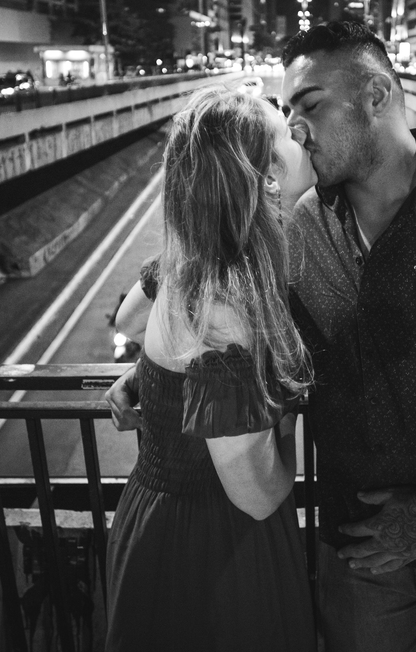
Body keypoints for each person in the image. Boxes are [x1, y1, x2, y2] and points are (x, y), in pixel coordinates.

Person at [110, 21, 416, 652]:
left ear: (378, 95)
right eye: (287, 114)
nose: (298, 128)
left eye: (309, 105)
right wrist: (159, 379)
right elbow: (221, 324)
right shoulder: (297, 229)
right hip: (360, 547)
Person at [103, 85, 317, 651]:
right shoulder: (226, 311)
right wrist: (290, 429)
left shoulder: (189, 268)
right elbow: (256, 494)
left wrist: (155, 376)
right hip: (211, 547)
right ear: (265, 176)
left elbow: (126, 321)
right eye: (285, 131)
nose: (300, 134)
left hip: (155, 515)